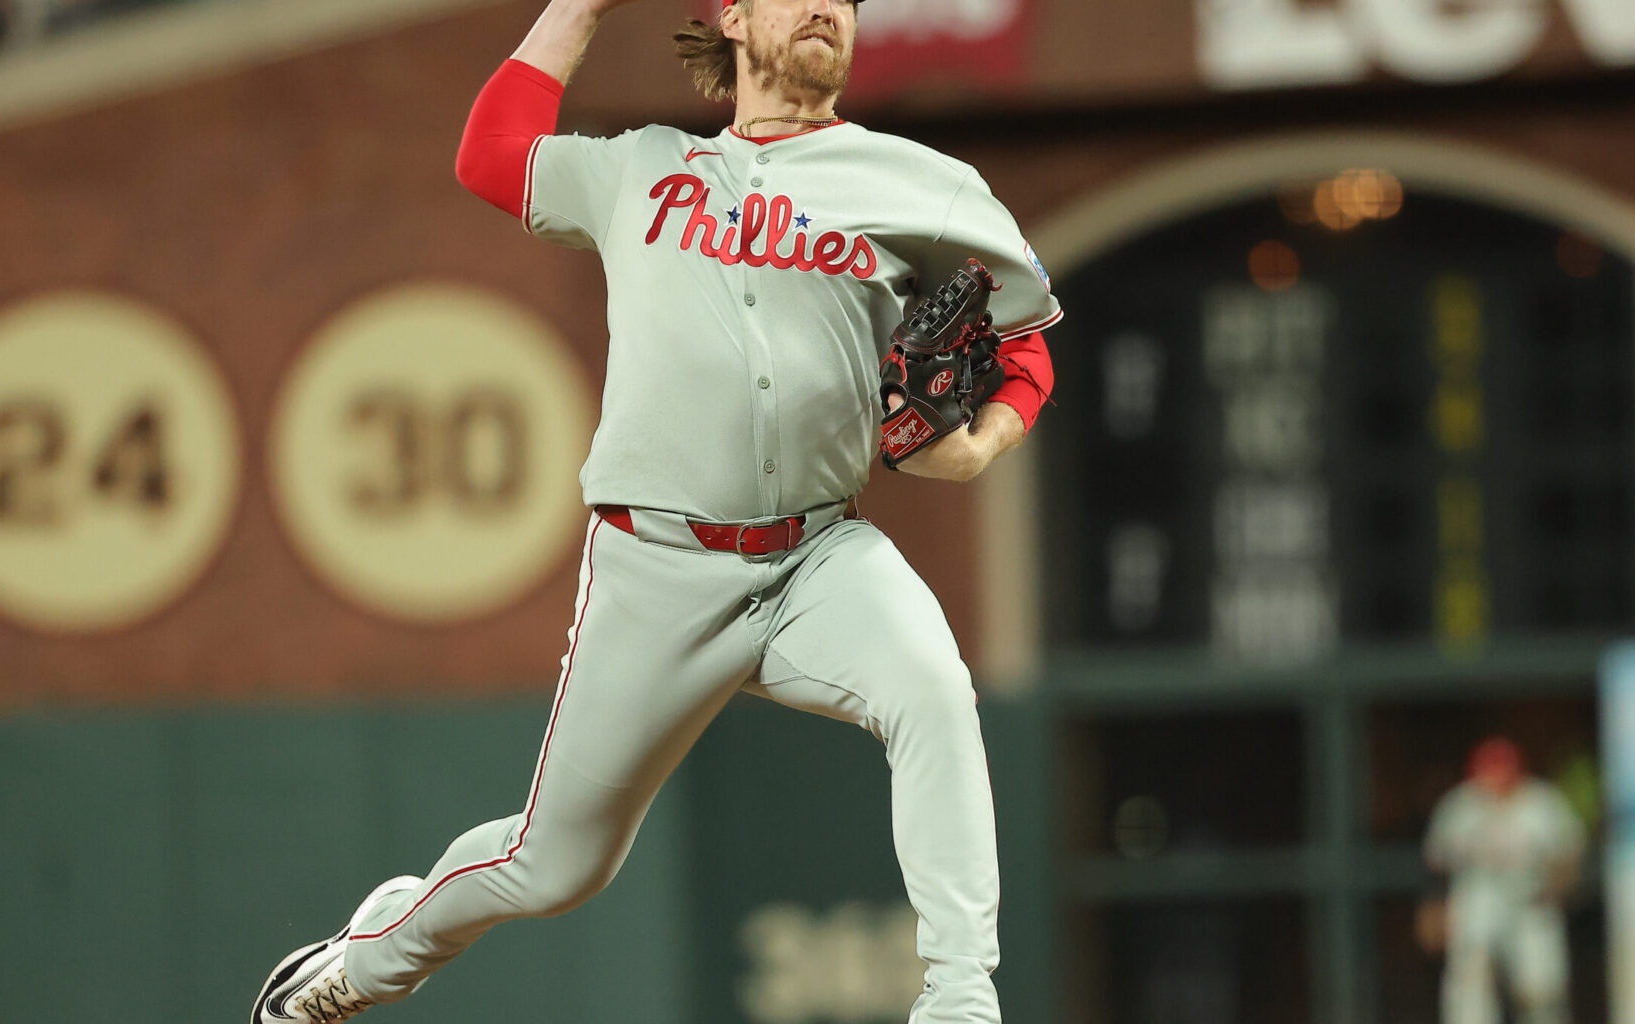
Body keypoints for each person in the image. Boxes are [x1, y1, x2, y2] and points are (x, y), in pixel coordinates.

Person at [249, 0, 1060, 1021]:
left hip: (819, 556)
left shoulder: (925, 186)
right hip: (657, 568)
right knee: (553, 867)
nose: (826, 8)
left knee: (935, 689)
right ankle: (367, 964)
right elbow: (492, 154)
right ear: (729, 15)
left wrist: (981, 442)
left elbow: (1025, 343)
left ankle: (959, 1003)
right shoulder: (639, 167)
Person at [1423, 737, 1587, 1024]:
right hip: (1477, 897)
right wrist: (1434, 907)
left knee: (1539, 986)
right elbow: (1436, 863)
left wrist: (1558, 888)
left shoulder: (1541, 802)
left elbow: (1571, 854)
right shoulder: (1460, 805)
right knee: (1470, 980)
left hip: (1531, 898)